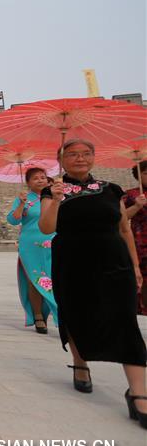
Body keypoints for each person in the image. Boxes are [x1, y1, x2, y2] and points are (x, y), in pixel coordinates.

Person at [39, 139, 146, 428]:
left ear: (95, 158)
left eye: (86, 154)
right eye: (72, 154)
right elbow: (47, 228)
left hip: (114, 261)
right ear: (61, 159)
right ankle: (81, 363)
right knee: (76, 313)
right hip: (73, 261)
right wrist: (58, 199)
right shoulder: (52, 190)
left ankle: (138, 392)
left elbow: (123, 227)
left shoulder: (111, 190)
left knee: (125, 320)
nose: (80, 158)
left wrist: (135, 266)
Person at [6, 167, 58, 333]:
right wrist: (21, 204)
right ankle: (37, 315)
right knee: (35, 280)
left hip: (53, 242)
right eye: (36, 178)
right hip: (30, 245)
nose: (41, 180)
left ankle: (56, 312)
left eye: (43, 177)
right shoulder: (25, 199)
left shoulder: (54, 197)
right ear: (28, 183)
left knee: (54, 279)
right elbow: (13, 221)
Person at [122, 161, 147, 316]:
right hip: (140, 244)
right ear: (138, 176)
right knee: (141, 281)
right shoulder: (131, 194)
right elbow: (120, 219)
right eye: (145, 173)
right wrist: (136, 206)